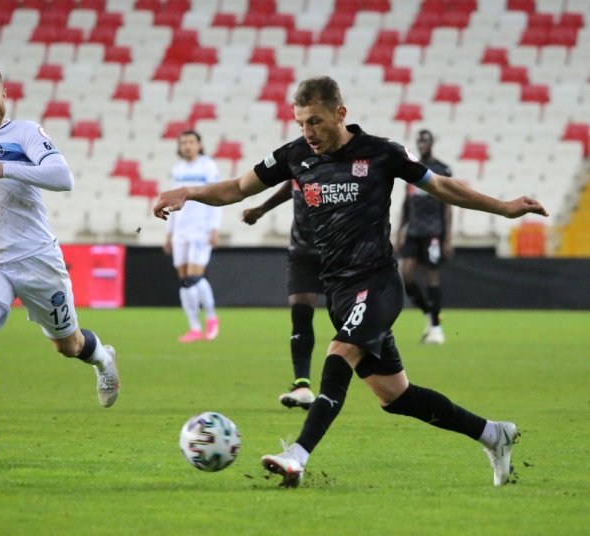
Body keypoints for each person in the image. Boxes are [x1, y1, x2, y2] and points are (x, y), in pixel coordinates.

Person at [153, 76, 547, 488]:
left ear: (341, 114)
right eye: (302, 123)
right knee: (395, 396)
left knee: (340, 352)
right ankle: (493, 434)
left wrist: (504, 208)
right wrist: (188, 193)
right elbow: (236, 188)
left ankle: (297, 455)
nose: (309, 132)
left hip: (377, 282)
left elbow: (441, 186)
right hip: (339, 289)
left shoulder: (382, 153)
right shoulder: (295, 155)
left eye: (317, 122)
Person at [0, 58, 120, 460]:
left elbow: (62, 177)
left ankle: (103, 358)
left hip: (36, 259)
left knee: (68, 346)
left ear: (4, 96)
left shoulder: (26, 133)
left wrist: (7, 169)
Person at [242, 180, 325, 409]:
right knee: (300, 315)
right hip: (302, 251)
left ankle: (341, 387)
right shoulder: (298, 155)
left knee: (345, 320)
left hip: (338, 251)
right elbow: (292, 184)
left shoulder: (344, 159)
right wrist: (261, 209)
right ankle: (302, 385)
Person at [163, 130, 222, 342]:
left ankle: (212, 317)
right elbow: (172, 202)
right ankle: (195, 327)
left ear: (199, 144)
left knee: (194, 277)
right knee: (184, 281)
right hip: (180, 230)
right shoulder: (177, 170)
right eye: (183, 142)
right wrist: (169, 233)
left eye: (191, 142)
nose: (187, 146)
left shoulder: (208, 166)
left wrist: (214, 228)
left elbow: (217, 197)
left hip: (201, 229)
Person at [395, 129, 453, 345]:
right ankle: (430, 312)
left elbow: (447, 206)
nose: (422, 144)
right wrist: (399, 232)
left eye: (426, 140)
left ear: (432, 143)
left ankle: (436, 329)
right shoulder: (411, 167)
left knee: (432, 275)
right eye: (419, 140)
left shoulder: (442, 169)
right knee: (407, 275)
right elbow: (406, 204)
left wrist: (447, 237)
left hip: (434, 232)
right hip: (413, 231)